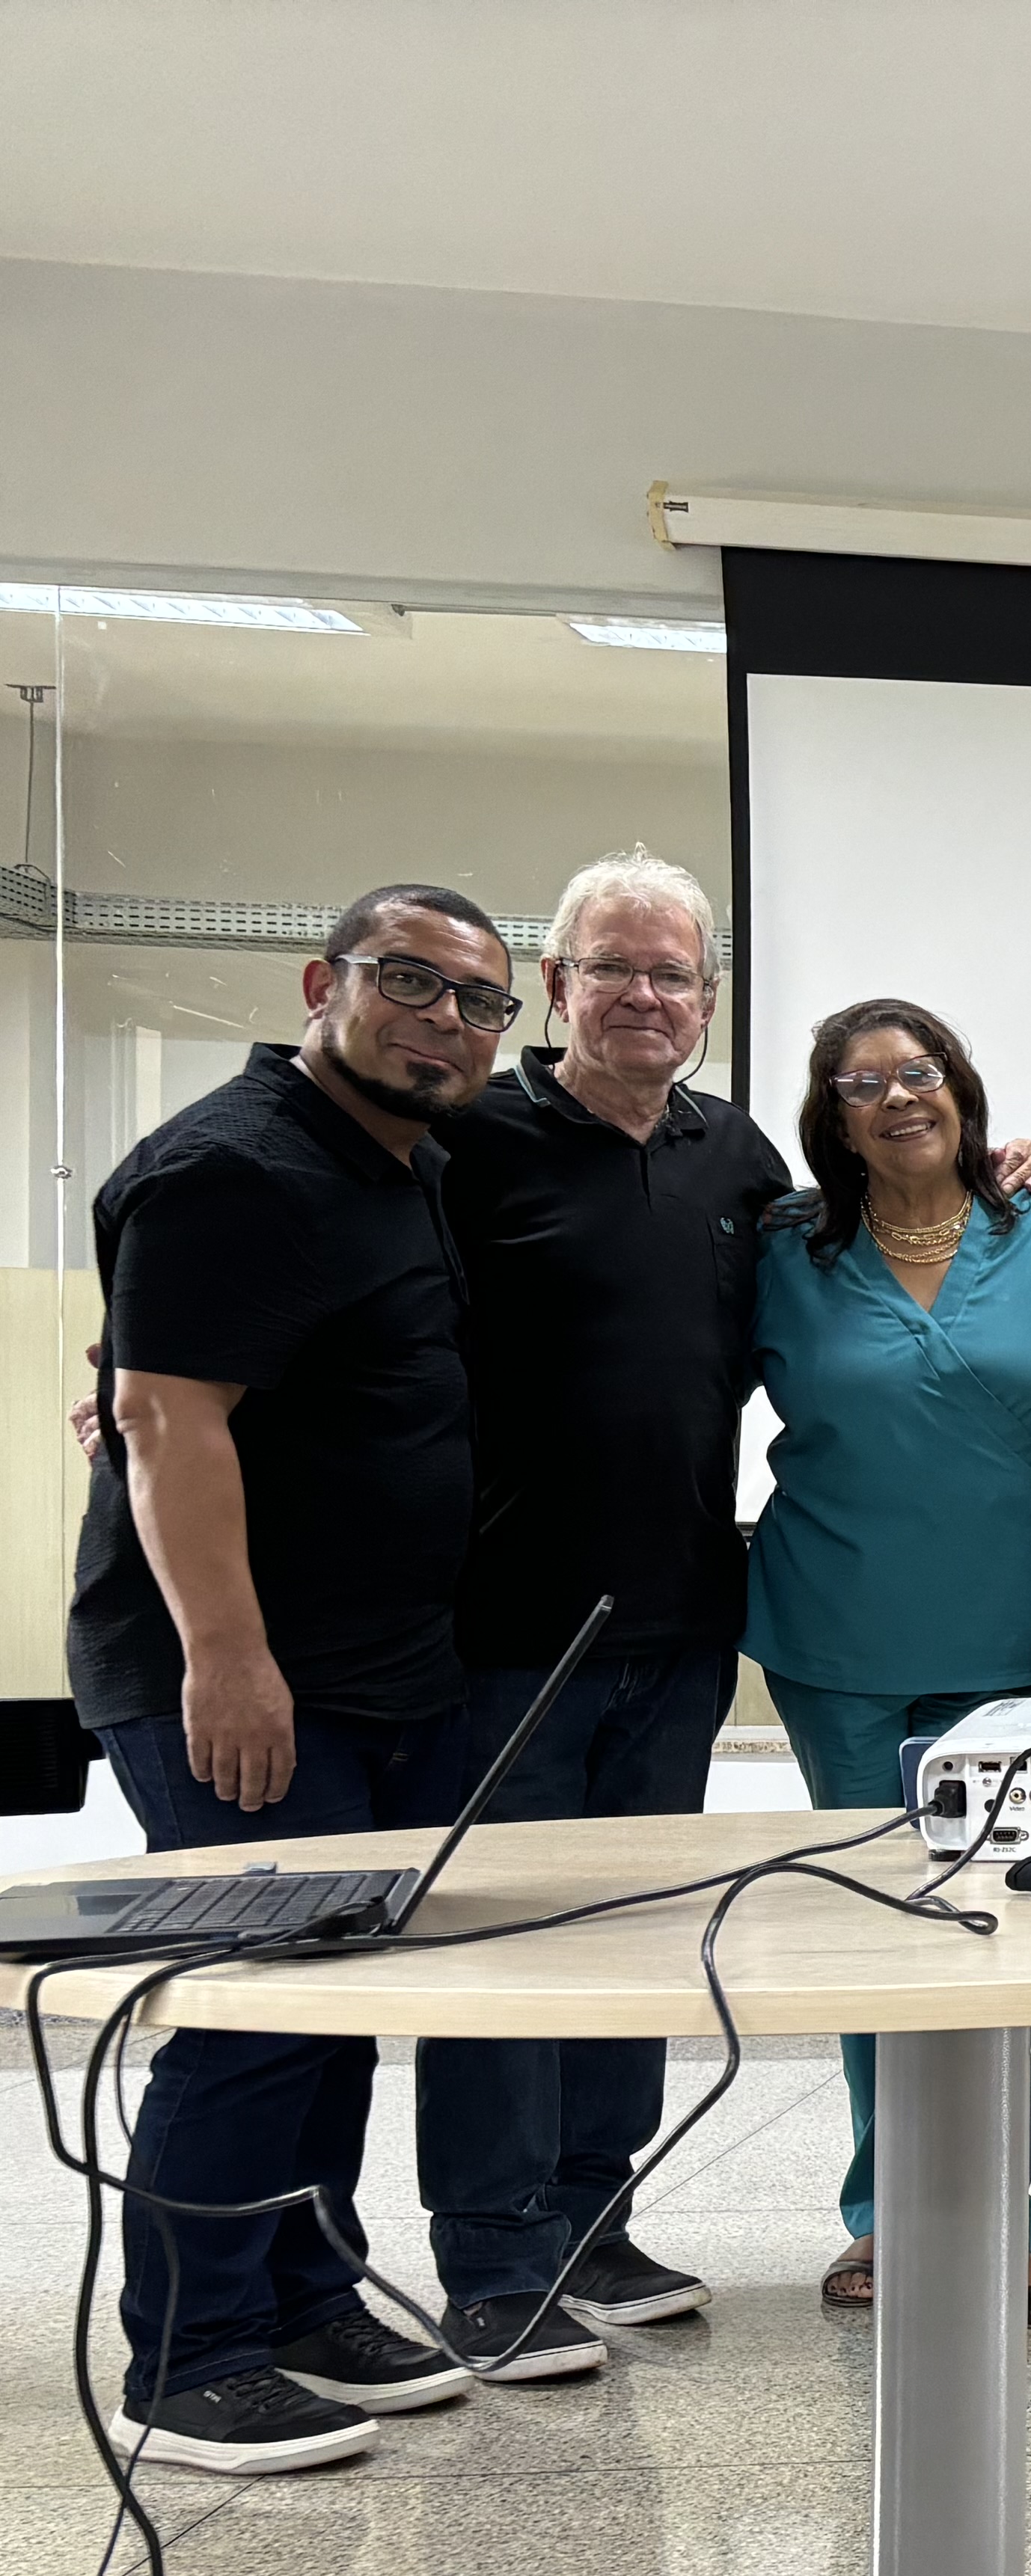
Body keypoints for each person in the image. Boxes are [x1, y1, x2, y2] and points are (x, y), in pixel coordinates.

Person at [70, 887, 507, 2472]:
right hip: (244, 1677)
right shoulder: (233, 1166)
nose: (445, 1023)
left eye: (477, 1003)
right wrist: (229, 1658)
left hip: (377, 1670)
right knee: (258, 2014)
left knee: (336, 2011)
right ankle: (190, 2356)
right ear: (326, 983)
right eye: (412, 984)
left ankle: (308, 2296)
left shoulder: (399, 1161)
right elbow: (168, 1421)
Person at [409, 848, 790, 2362]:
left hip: (681, 1620)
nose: (646, 993)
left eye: (675, 972)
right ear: (555, 988)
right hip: (506, 1632)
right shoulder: (469, 1141)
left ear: (706, 1001)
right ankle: (494, 2261)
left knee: (634, 1931)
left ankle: (593, 2222)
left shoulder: (735, 1154)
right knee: (506, 1947)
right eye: (614, 967)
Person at [746, 996, 1031, 2331]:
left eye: (917, 1070)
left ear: (963, 1091)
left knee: (992, 1932)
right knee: (881, 1925)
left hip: (1018, 1640)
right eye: (860, 1082)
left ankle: (995, 2222)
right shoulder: (778, 1251)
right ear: (833, 1116)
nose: (895, 1095)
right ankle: (885, 2219)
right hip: (842, 1637)